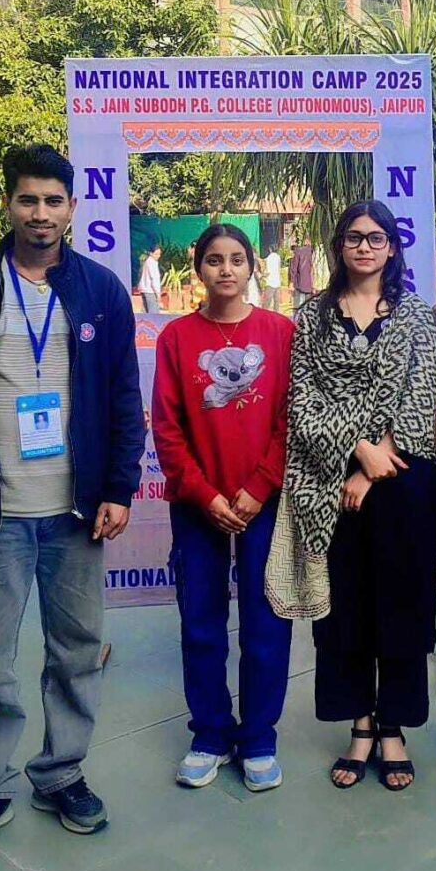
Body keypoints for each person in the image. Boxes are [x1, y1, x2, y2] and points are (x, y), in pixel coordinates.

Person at [0, 144, 145, 863]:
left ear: (72, 208)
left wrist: (118, 487)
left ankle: (61, 773)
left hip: (76, 514)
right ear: (8, 204)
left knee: (76, 652)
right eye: (27, 199)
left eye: (52, 201)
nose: (40, 213)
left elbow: (124, 400)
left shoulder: (101, 291)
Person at [267, 200, 436, 791]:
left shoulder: (415, 316)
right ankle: (360, 725)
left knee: (401, 604)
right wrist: (353, 451)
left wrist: (372, 464)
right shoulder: (312, 316)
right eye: (353, 237)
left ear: (392, 247)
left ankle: (393, 727)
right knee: (344, 610)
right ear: (339, 246)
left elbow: (421, 396)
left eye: (376, 237)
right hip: (328, 486)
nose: (364, 247)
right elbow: (302, 401)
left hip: (400, 479)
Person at [153, 225, 295, 793]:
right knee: (202, 624)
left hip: (265, 503)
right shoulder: (177, 338)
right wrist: (205, 494)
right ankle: (210, 734)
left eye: (237, 259)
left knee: (266, 625)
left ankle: (258, 737)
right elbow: (167, 429)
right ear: (199, 269)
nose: (226, 270)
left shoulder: (280, 333)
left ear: (252, 267)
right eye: (214, 260)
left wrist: (260, 486)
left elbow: (291, 419)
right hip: (199, 507)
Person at [290, 237, 315, 313]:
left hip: (299, 282)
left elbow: (294, 268)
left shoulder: (299, 252)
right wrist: (314, 284)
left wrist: (292, 282)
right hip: (309, 284)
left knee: (297, 305)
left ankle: (296, 318)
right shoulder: (312, 252)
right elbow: (313, 269)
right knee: (308, 306)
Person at [138, 244, 163, 314]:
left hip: (145, 290)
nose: (158, 256)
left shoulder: (148, 261)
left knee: (146, 312)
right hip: (151, 291)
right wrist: (158, 294)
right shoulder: (152, 263)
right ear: (151, 253)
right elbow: (154, 280)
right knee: (154, 314)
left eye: (159, 254)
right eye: (156, 254)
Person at [263, 246, 282, 313]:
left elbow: (267, 271)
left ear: (270, 249)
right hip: (277, 282)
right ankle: (276, 315)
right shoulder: (278, 257)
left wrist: (262, 276)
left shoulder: (268, 258)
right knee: (276, 302)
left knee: (267, 302)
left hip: (270, 281)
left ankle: (264, 315)